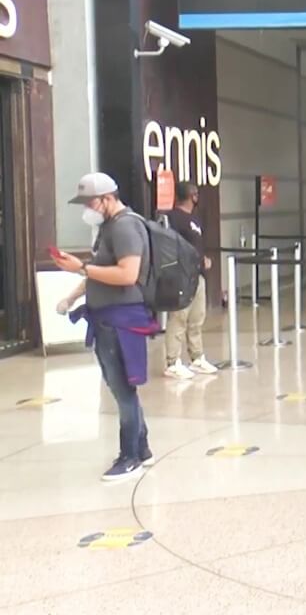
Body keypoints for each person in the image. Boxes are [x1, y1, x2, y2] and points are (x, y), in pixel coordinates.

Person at [52, 173, 156, 481]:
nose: (86, 209)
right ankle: (142, 447)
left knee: (123, 389)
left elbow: (127, 274)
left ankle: (130, 456)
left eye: (89, 202)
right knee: (120, 386)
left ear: (107, 198)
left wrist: (82, 267)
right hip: (107, 319)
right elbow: (101, 272)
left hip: (121, 320)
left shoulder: (125, 227)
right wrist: (72, 295)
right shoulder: (109, 227)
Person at [162, 182, 217, 379]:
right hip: (181, 276)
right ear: (192, 195)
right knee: (179, 317)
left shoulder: (194, 218)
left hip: (198, 274)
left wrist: (203, 260)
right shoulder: (172, 218)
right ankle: (172, 361)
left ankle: (197, 357)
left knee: (197, 318)